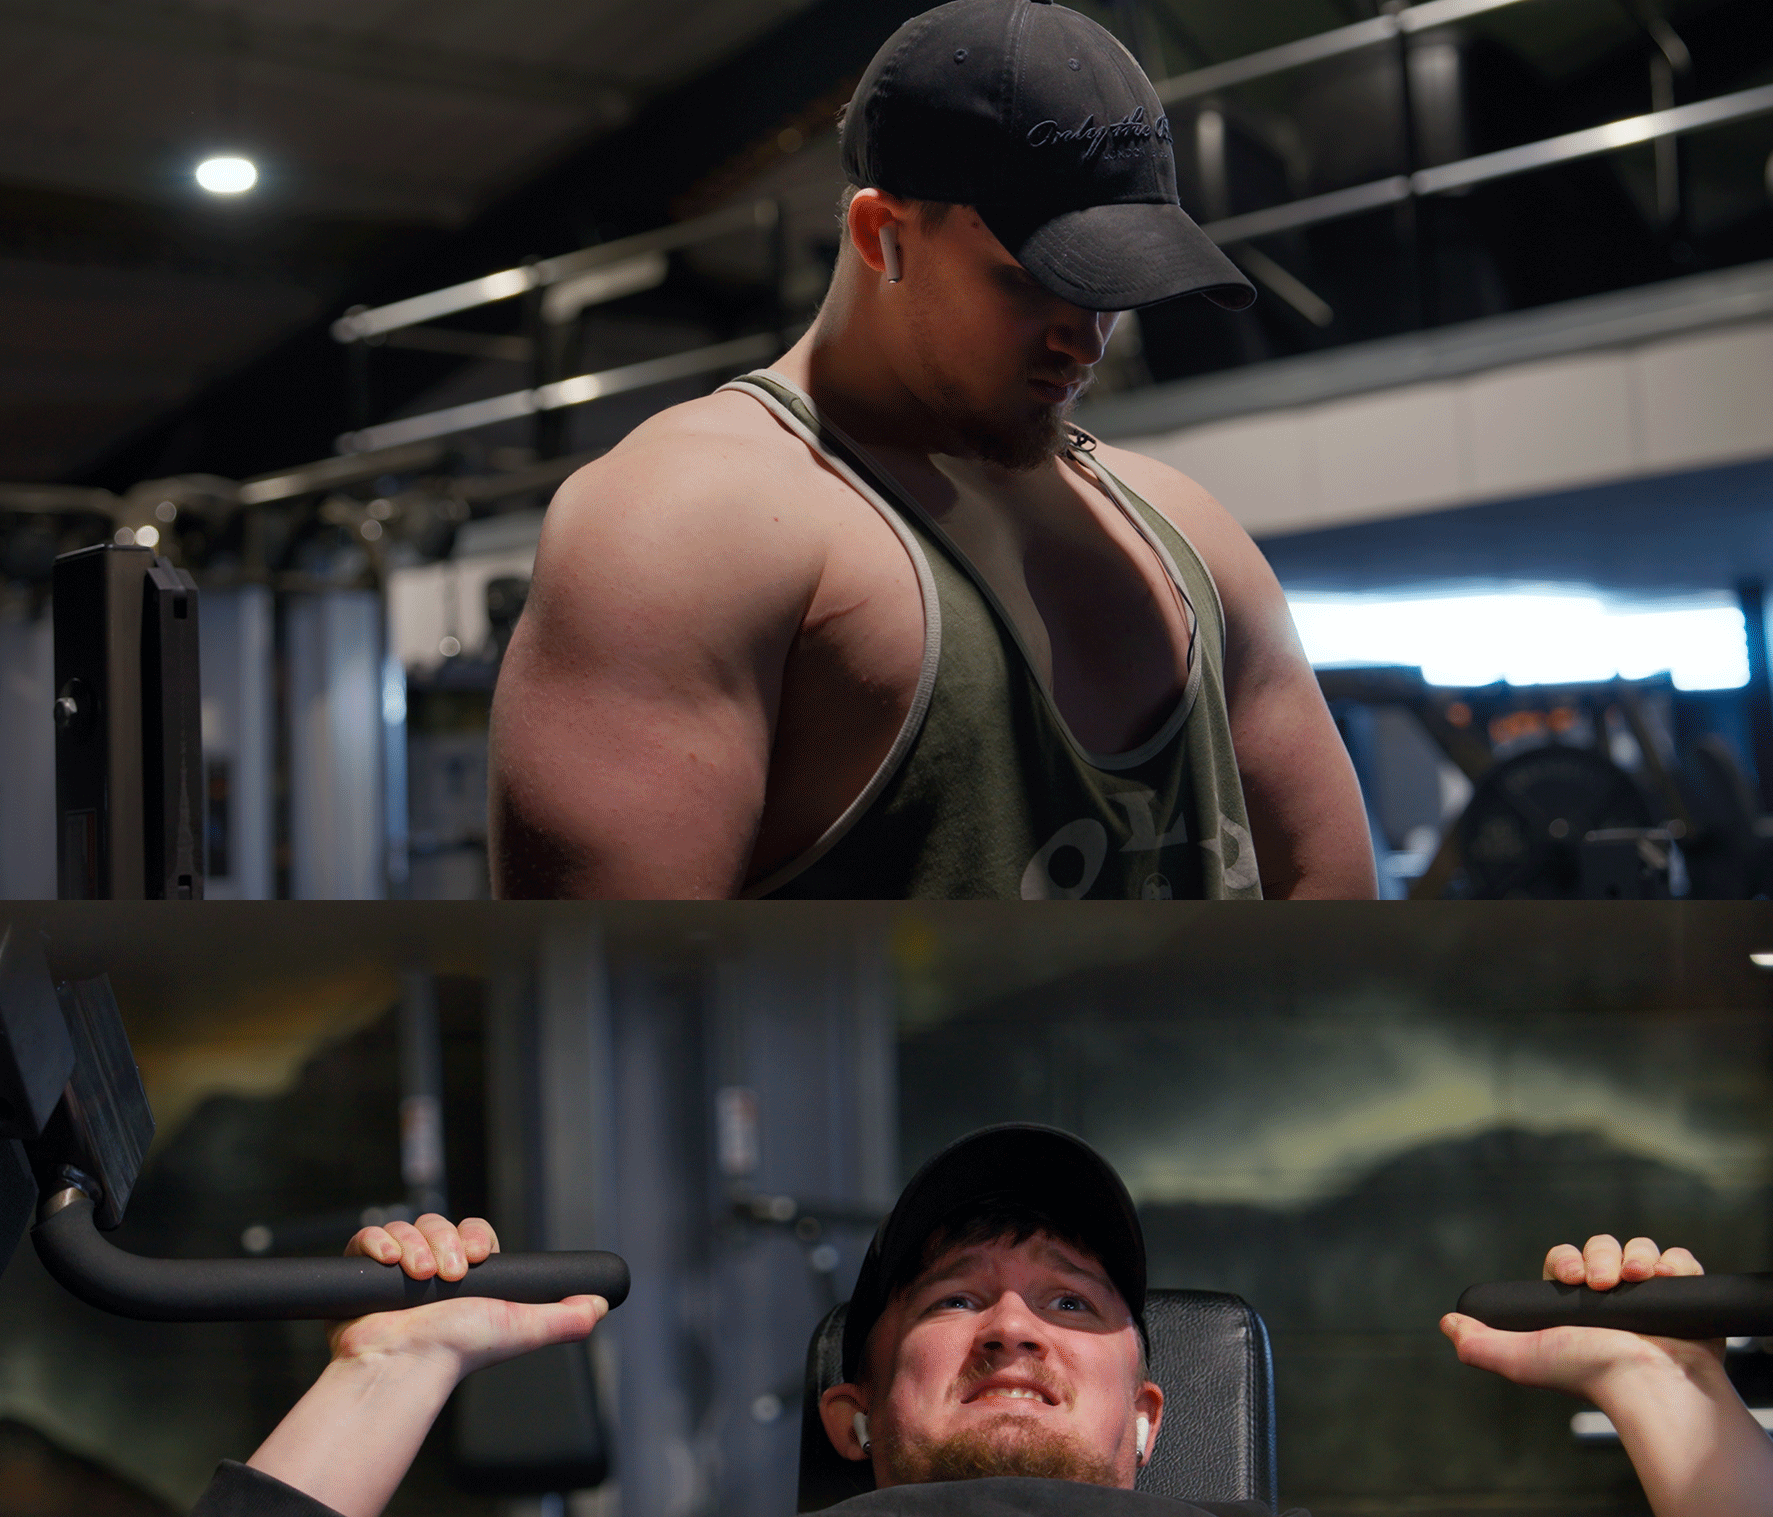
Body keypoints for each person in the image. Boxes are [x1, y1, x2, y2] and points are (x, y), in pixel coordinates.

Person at [113, 1121, 1773, 1517]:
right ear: (851, 1418)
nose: (1016, 1324)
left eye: (1074, 1305)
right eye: (954, 1300)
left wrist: (1667, 1396)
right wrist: (396, 1364)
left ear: (1152, 1412)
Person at [487, 0, 1376, 902]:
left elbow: (1339, 916)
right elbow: (607, 1000)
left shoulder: (1190, 531)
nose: (1090, 340)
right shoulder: (685, 524)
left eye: (1115, 290)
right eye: (1040, 284)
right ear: (884, 235)